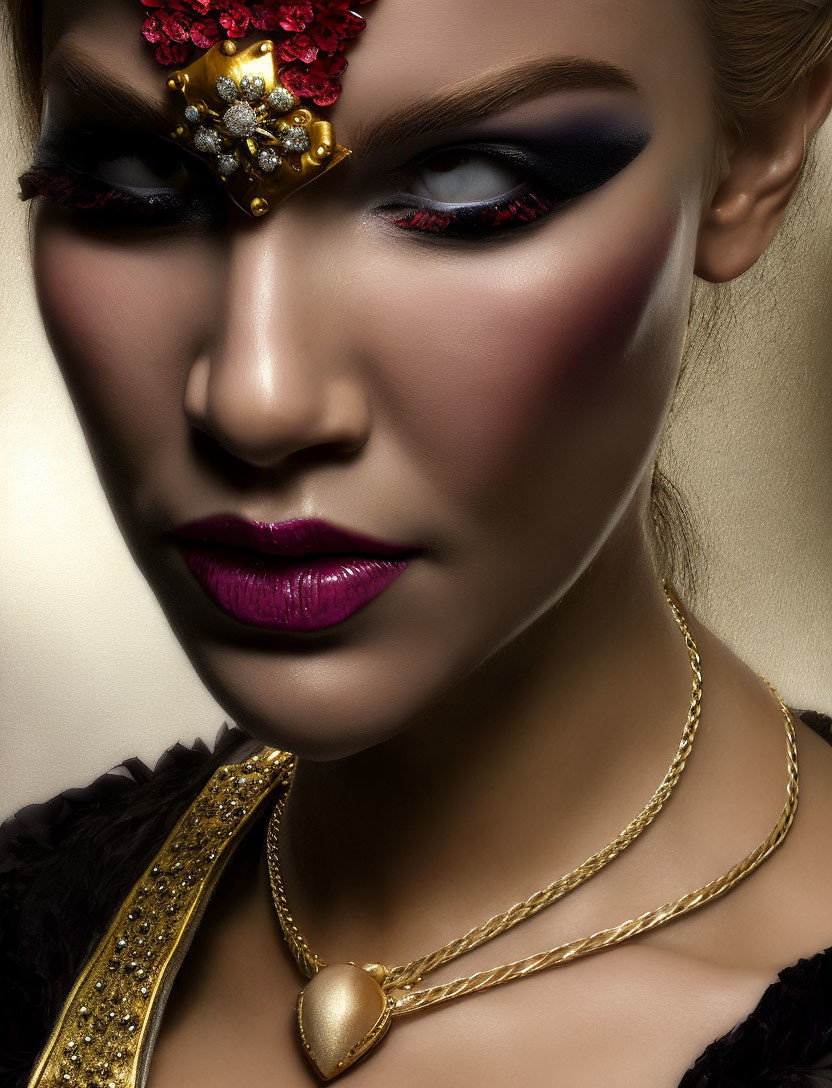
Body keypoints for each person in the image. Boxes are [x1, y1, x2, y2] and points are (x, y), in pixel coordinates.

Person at [2, 0, 832, 1085]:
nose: (257, 398)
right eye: (130, 185)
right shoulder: (33, 927)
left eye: (465, 188)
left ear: (755, 150)